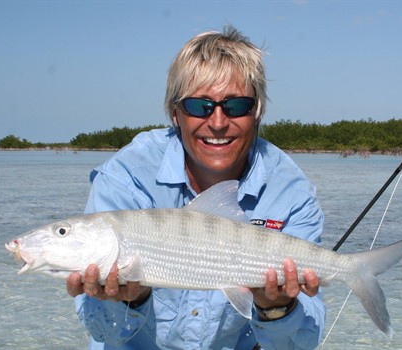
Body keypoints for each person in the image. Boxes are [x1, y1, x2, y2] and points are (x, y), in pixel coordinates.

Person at [67, 25, 325, 349]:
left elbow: (302, 344)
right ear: (175, 113)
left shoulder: (292, 193)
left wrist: (276, 308)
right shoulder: (125, 179)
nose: (217, 123)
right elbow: (102, 333)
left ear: (257, 111)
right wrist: (128, 301)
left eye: (236, 106)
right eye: (198, 106)